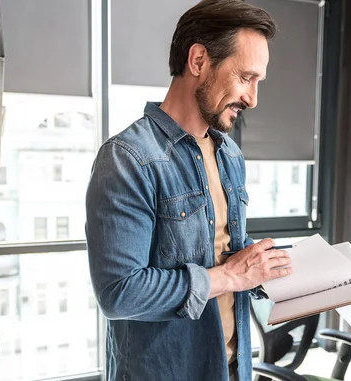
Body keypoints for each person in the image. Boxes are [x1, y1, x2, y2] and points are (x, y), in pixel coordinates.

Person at [85, 1, 292, 380]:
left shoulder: (229, 153)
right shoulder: (128, 159)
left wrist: (265, 267)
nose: (253, 98)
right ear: (198, 60)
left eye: (258, 82)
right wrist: (229, 276)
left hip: (232, 366)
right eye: (246, 77)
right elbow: (119, 293)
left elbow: (224, 251)